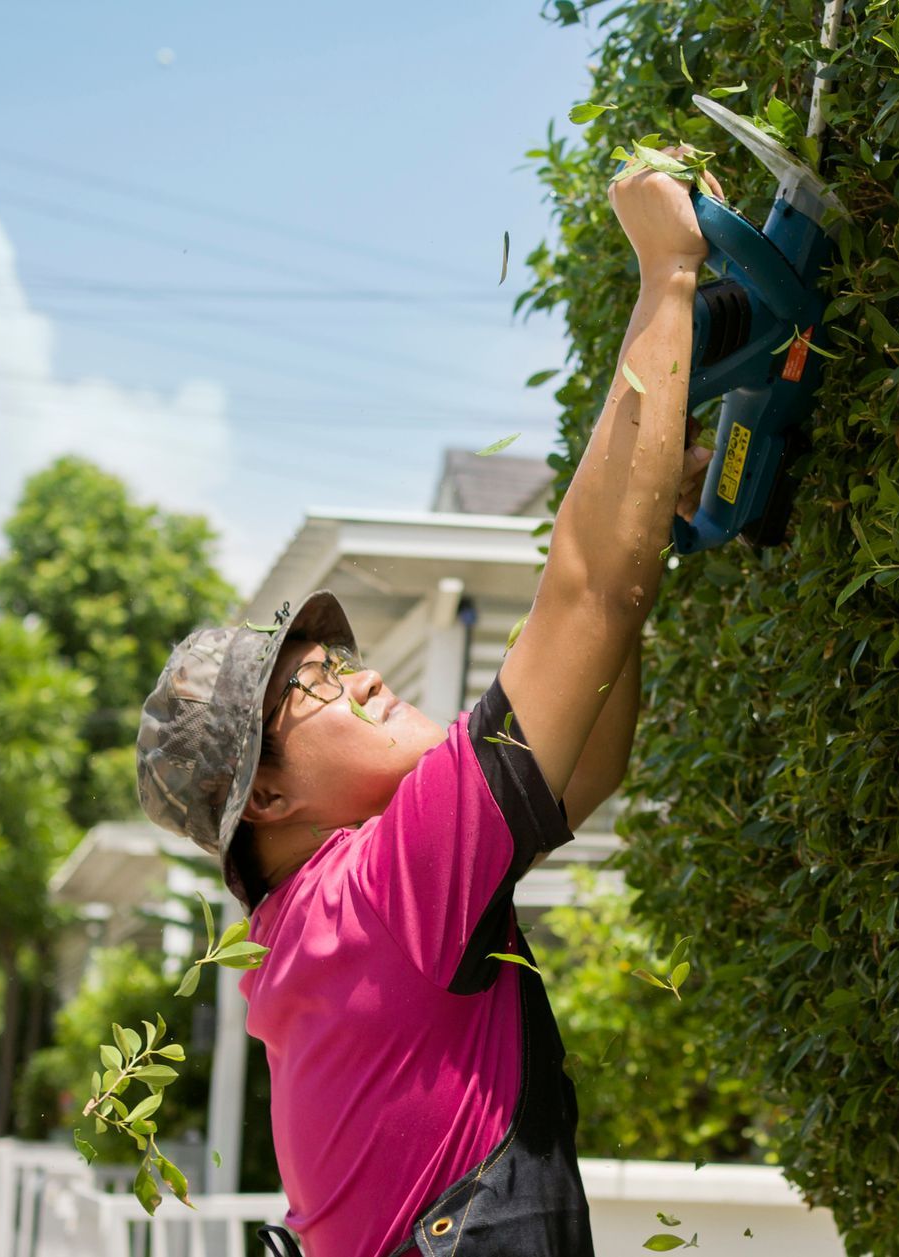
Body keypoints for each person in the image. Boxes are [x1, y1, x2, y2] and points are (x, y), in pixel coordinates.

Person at [132, 153, 723, 1256]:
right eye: (309, 684)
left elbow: (585, 761)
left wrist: (652, 503)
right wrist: (666, 277)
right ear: (262, 792)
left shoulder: (321, 934)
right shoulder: (370, 905)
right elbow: (587, 589)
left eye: (329, 656)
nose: (356, 672)